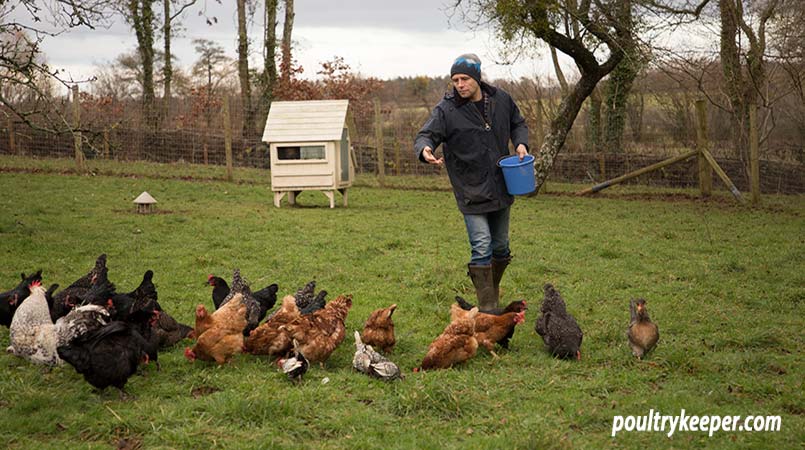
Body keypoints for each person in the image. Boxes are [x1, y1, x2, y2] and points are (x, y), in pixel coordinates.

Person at [414, 53, 529, 312]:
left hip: (501, 185)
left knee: (501, 247)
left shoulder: (501, 100)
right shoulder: (447, 110)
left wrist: (521, 142)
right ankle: (488, 309)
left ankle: (490, 291)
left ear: (476, 77)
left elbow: (518, 123)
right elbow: (426, 134)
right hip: (470, 189)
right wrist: (425, 150)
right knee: (481, 246)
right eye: (455, 80)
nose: (459, 84)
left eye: (464, 78)